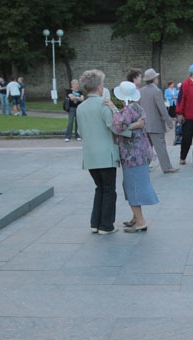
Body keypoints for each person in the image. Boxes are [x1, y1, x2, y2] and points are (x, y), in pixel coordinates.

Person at [76, 69, 126, 235]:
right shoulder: (104, 105)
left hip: (90, 155)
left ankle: (95, 223)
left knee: (100, 188)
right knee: (109, 189)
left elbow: (80, 132)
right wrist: (117, 112)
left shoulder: (81, 107)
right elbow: (115, 126)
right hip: (106, 154)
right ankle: (106, 225)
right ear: (99, 86)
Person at [112, 81, 158, 232]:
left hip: (131, 155)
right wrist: (135, 125)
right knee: (136, 185)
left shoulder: (127, 110)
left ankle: (140, 221)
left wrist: (113, 109)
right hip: (142, 153)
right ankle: (135, 218)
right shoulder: (139, 107)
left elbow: (117, 127)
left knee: (132, 187)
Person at [139, 68, 180, 173]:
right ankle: (167, 167)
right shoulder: (157, 91)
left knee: (147, 147)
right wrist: (169, 122)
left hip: (145, 124)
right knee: (160, 147)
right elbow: (162, 109)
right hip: (156, 124)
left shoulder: (141, 91)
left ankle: (143, 167)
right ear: (154, 79)